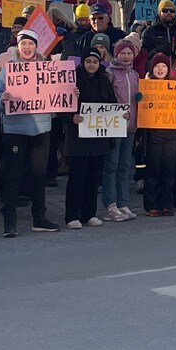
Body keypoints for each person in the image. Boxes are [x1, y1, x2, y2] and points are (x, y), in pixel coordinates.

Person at [0, 28, 61, 235]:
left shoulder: (46, 68)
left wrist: (69, 93)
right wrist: (2, 100)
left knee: (39, 175)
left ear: (36, 46)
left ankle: (39, 217)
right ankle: (10, 220)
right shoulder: (9, 69)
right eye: (23, 43)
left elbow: (58, 95)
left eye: (31, 43)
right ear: (18, 46)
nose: (27, 47)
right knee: (14, 174)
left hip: (41, 128)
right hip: (15, 128)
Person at [66, 47, 116, 227]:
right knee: (76, 178)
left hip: (98, 136)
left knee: (94, 178)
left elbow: (112, 104)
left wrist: (120, 115)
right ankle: (72, 215)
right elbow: (62, 105)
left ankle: (89, 213)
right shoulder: (72, 80)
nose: (92, 65)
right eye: (88, 62)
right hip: (77, 136)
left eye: (95, 62)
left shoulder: (104, 79)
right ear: (83, 62)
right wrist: (72, 116)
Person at [100, 38, 141, 220]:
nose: (126, 56)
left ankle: (123, 203)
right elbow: (106, 98)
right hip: (114, 125)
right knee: (111, 166)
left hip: (131, 126)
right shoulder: (109, 73)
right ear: (116, 54)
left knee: (125, 166)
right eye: (122, 53)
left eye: (129, 53)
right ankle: (110, 204)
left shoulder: (135, 75)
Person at [140, 49, 176, 217]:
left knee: (169, 170)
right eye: (157, 66)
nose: (160, 69)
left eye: (163, 66)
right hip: (153, 135)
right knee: (153, 170)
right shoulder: (146, 85)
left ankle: (167, 203)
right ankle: (151, 204)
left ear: (168, 69)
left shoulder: (174, 86)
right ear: (152, 68)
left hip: (171, 134)